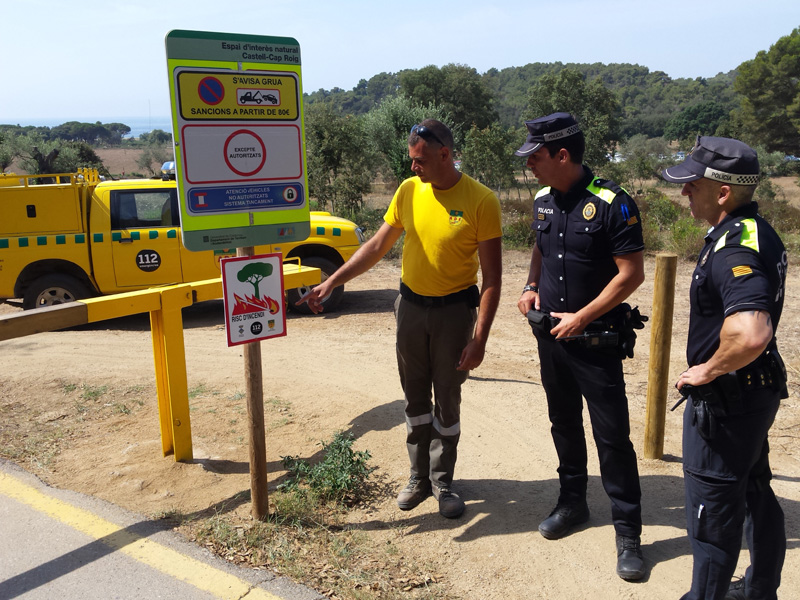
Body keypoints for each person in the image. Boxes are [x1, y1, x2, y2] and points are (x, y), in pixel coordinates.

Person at [298, 119, 503, 519]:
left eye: (420, 160)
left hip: (454, 313)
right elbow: (376, 246)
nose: (413, 168)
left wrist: (479, 338)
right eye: (412, 160)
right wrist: (332, 281)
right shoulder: (409, 191)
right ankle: (418, 478)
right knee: (414, 398)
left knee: (447, 398)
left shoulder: (481, 200)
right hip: (409, 308)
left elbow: (493, 278)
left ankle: (443, 482)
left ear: (445, 154)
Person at [514, 112, 646, 580]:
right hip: (551, 338)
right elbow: (540, 248)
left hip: (596, 340)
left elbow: (632, 274)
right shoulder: (543, 199)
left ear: (562, 155)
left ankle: (628, 530)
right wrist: (531, 285)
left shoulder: (613, 202)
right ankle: (572, 504)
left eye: (535, 156)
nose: (529, 164)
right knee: (563, 422)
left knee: (612, 436)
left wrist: (582, 317)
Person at [662, 137, 788, 600]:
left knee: (711, 515)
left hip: (729, 403)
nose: (683, 193)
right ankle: (759, 590)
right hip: (755, 393)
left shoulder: (734, 246)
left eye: (691, 185)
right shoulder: (757, 230)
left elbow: (752, 331)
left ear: (721, 193)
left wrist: (706, 370)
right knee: (755, 489)